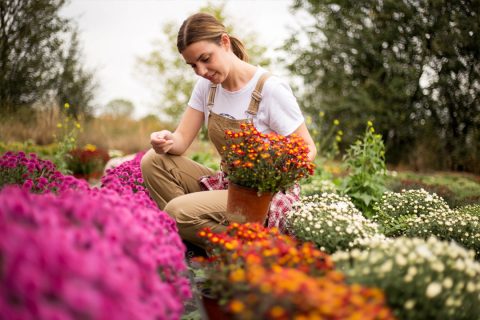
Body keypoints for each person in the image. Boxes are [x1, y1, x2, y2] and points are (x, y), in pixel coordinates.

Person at [141, 12, 316, 251]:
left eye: (205, 59)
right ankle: (203, 235)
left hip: (261, 197)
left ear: (224, 42)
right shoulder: (207, 87)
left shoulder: (269, 89)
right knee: (154, 161)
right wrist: (165, 140)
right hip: (228, 185)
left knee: (176, 211)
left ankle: (260, 250)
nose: (201, 71)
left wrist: (271, 177)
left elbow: (308, 148)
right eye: (193, 65)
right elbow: (181, 140)